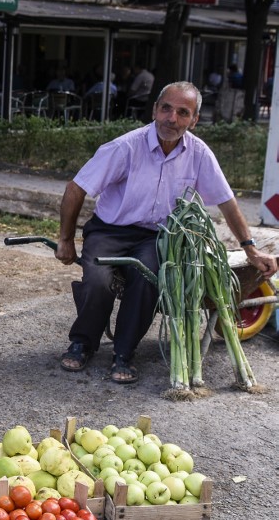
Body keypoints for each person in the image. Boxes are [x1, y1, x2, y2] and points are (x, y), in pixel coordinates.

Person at [55, 82, 277, 384]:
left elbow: (227, 201)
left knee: (149, 280)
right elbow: (75, 188)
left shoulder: (198, 153)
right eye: (166, 109)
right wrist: (66, 240)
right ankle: (83, 342)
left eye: (182, 112)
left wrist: (251, 249)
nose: (171, 118)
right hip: (111, 230)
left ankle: (124, 353)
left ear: (194, 120)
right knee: (97, 279)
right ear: (155, 110)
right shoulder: (125, 147)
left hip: (156, 237)